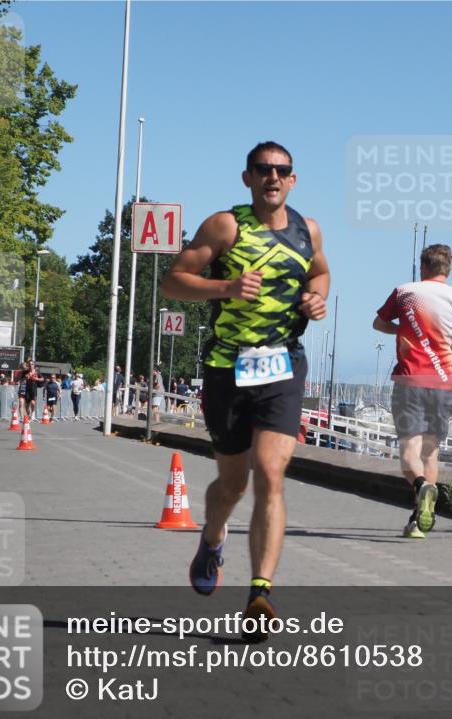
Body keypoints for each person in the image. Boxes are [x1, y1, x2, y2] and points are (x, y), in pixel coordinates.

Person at [161, 140, 329, 638]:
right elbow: (173, 280)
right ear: (248, 178)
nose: (272, 177)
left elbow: (320, 271)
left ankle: (260, 591)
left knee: (271, 474)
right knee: (231, 485)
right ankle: (213, 538)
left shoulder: (308, 229)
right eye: (263, 170)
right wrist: (225, 288)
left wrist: (315, 299)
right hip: (226, 368)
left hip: (283, 365)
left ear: (293, 180)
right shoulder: (225, 226)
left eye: (282, 171)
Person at [373, 243, 452, 539]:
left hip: (410, 381)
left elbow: (379, 323)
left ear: (423, 268)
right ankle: (421, 519)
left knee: (409, 450)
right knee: (431, 453)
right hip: (444, 384)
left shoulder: (405, 291)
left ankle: (420, 486)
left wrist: (404, 330)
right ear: (448, 270)